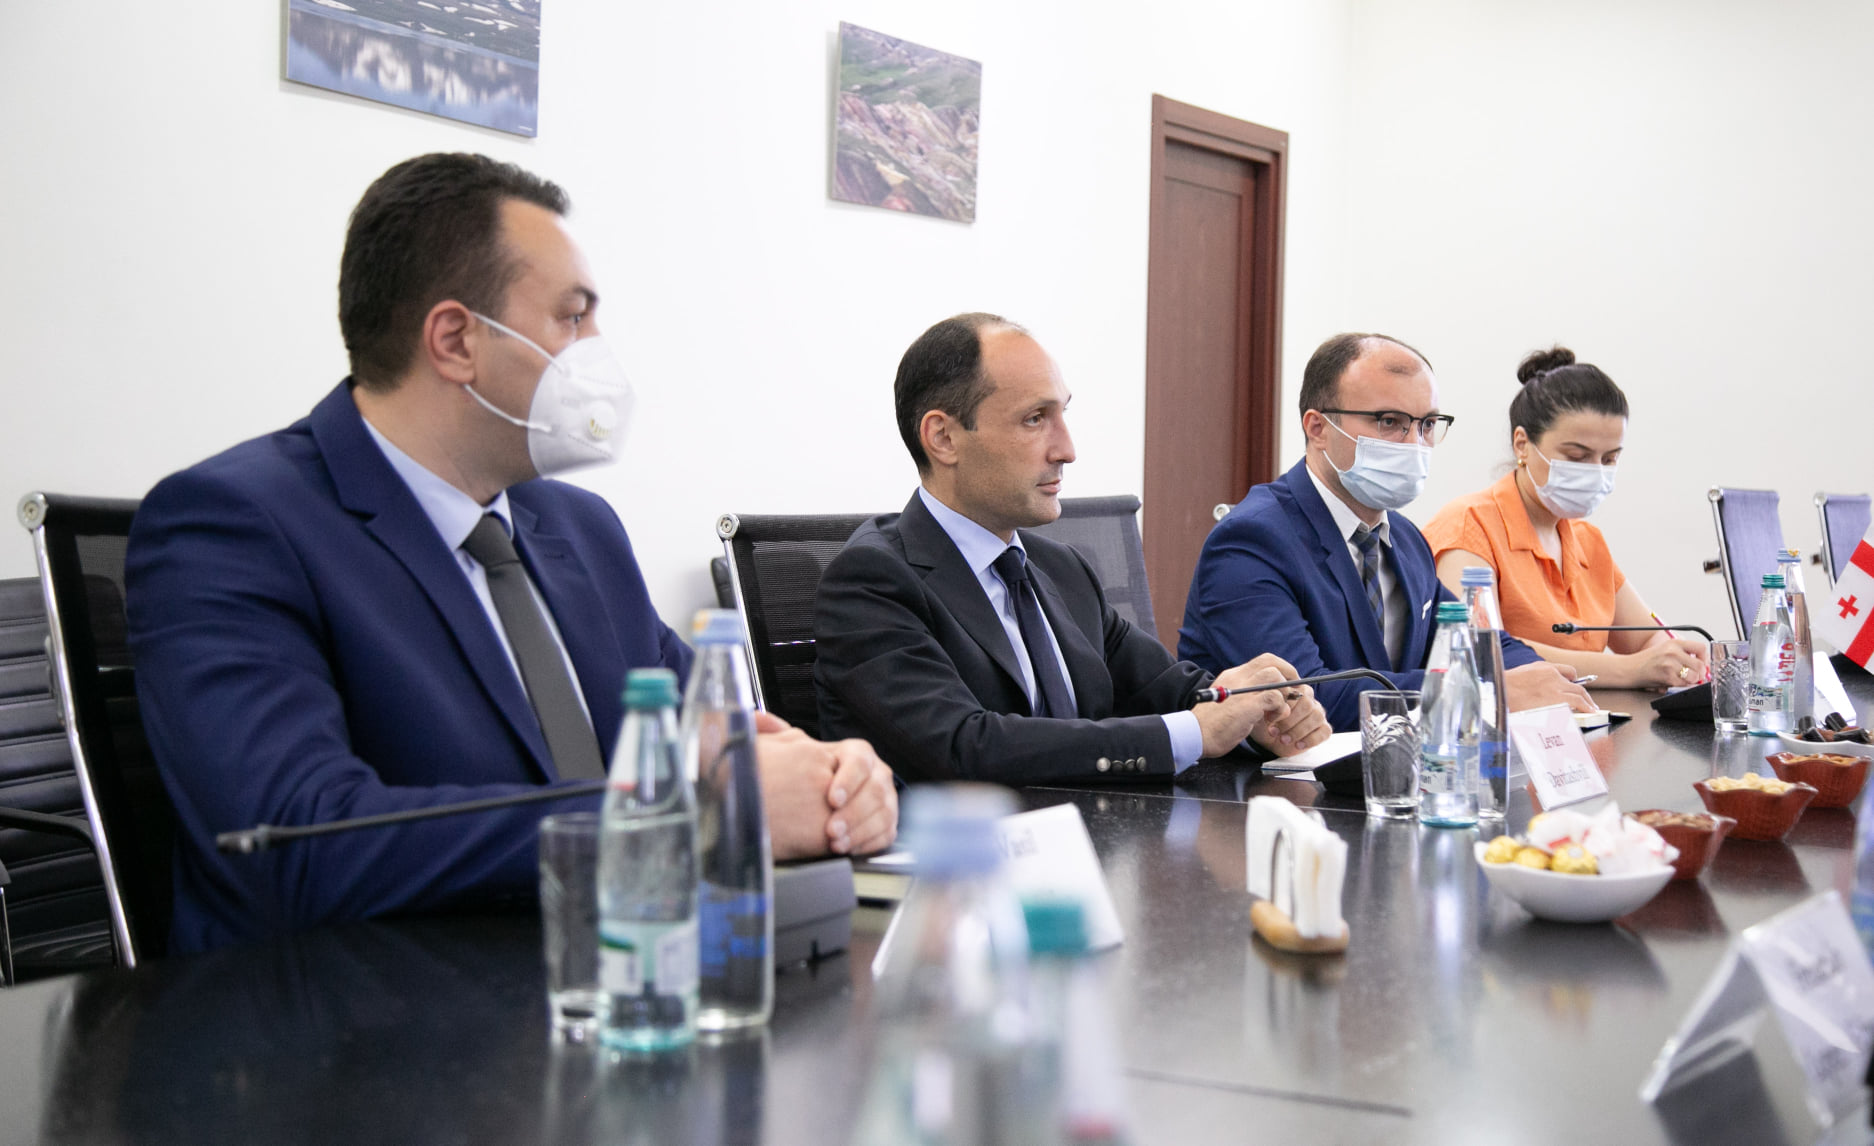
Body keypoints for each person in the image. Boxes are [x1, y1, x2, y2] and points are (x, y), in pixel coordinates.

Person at [126, 153, 896, 954]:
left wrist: (833, 780)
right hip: (360, 1007)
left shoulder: (581, 529)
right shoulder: (231, 525)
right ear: (455, 340)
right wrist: (693, 821)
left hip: (626, 976)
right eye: (572, 318)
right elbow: (292, 842)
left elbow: (713, 737)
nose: (596, 349)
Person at [813, 313, 1331, 786]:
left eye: (1061, 414)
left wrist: (1252, 709)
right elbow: (963, 746)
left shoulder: (1060, 568)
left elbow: (1168, 688)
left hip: (1098, 839)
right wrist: (1195, 731)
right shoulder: (871, 581)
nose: (1067, 449)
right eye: (1034, 419)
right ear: (943, 438)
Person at [1178, 332, 1594, 732]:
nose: (1413, 443)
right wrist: (1485, 692)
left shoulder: (1406, 539)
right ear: (1318, 428)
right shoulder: (1251, 541)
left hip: (1391, 765)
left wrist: (1541, 677)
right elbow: (1303, 700)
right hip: (1267, 778)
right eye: (1389, 421)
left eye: (1427, 424)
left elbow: (1477, 643)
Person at [1423, 346, 1707, 689]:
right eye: (1576, 456)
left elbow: (1648, 639)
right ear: (1522, 444)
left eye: (1609, 459)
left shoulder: (1587, 540)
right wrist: (1630, 669)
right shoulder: (1468, 526)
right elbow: (1479, 651)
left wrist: (1676, 660)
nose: (1595, 471)